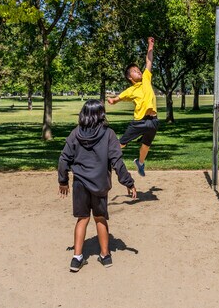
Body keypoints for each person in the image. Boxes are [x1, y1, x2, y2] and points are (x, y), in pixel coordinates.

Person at [58, 99, 137, 273]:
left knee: (82, 218)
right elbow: (117, 161)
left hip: (80, 184)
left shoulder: (75, 133)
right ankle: (105, 255)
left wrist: (63, 180)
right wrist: (128, 183)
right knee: (100, 218)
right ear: (101, 114)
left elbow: (64, 158)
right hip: (100, 184)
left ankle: (77, 257)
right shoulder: (109, 134)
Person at [107, 37, 159, 177]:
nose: (139, 72)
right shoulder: (131, 90)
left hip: (153, 121)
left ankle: (140, 163)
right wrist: (113, 100)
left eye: (138, 70)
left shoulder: (146, 78)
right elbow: (120, 97)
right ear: (130, 77)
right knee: (122, 144)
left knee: (146, 146)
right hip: (139, 122)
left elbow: (149, 61)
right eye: (135, 71)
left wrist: (150, 46)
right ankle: (106, 158)